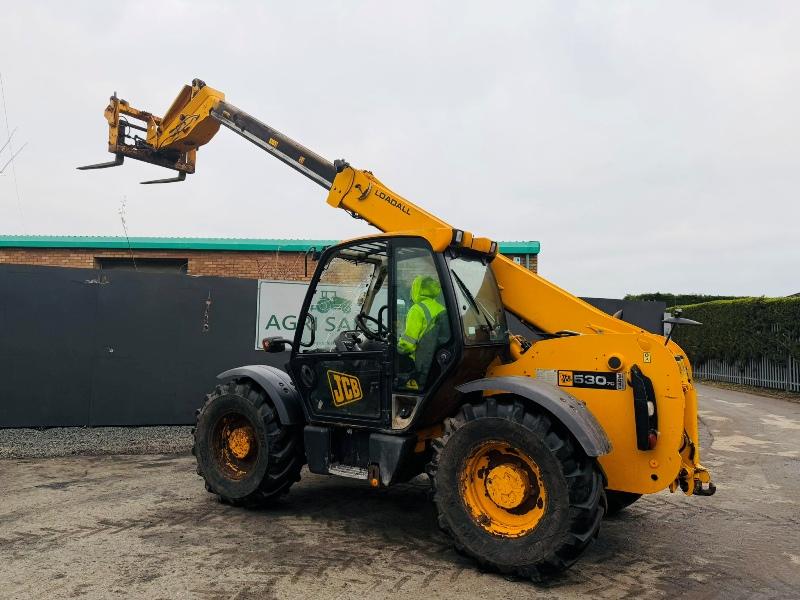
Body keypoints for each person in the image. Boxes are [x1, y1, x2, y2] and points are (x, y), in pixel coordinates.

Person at [397, 275, 445, 363]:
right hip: (437, 357)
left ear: (417, 289)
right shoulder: (441, 308)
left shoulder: (417, 309)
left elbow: (409, 342)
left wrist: (399, 347)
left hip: (420, 360)